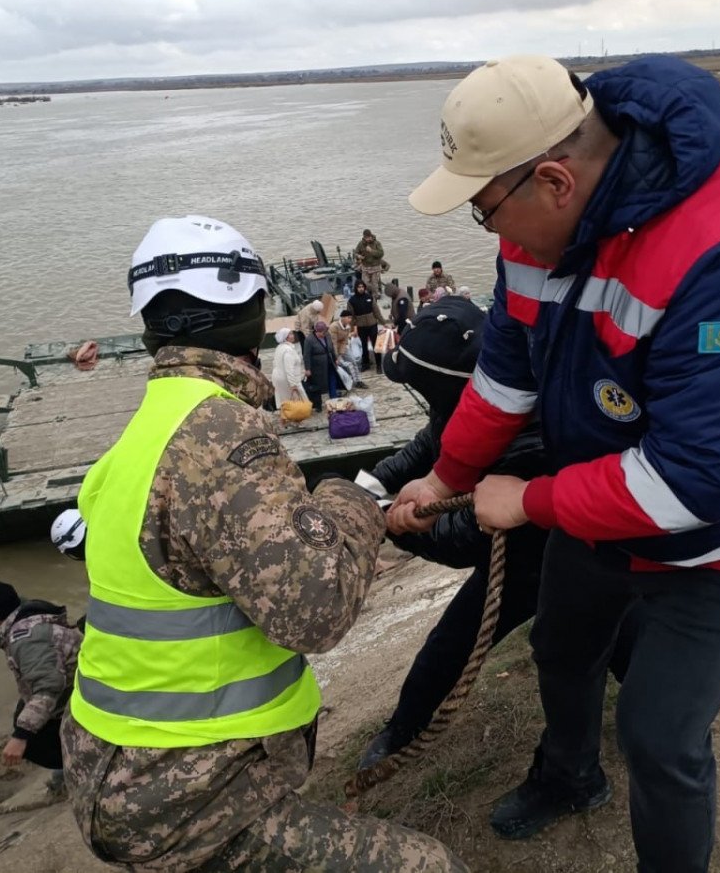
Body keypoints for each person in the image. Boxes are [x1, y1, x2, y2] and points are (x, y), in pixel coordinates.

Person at [391, 54, 720, 870]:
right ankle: (569, 774)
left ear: (555, 180)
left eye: (485, 210)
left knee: (661, 734)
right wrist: (446, 476)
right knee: (562, 646)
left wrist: (529, 502)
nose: (490, 232)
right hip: (602, 499)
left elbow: (693, 479)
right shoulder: (534, 237)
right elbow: (505, 373)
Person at [60, 215, 465, 872]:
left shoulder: (141, 433)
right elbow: (315, 609)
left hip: (116, 766)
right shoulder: (219, 434)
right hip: (181, 788)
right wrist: (348, 501)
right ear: (250, 307)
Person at [357, 295, 641, 769]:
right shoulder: (469, 405)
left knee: (459, 645)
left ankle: (648, 724)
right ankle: (402, 728)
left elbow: (462, 540)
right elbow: (429, 445)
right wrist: (370, 486)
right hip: (541, 551)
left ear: (446, 389)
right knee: (615, 639)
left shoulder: (531, 442)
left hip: (540, 561)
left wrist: (393, 524)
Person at [0, 582, 82, 786]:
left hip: (71, 691)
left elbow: (48, 687)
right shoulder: (30, 614)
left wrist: (21, 736)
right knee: (21, 714)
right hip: (69, 675)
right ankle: (65, 769)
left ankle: (77, 766)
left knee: (34, 745)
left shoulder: (26, 641)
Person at [304, 318, 341, 409]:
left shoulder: (327, 335)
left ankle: (334, 398)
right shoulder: (309, 340)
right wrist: (307, 368)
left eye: (325, 332)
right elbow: (306, 355)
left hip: (329, 361)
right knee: (318, 384)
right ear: (317, 331)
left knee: (332, 378)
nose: (324, 334)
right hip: (317, 365)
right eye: (322, 333)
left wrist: (335, 358)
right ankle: (318, 404)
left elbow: (331, 347)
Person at [355, 229, 389, 323]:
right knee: (364, 283)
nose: (368, 239)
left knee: (375, 285)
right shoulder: (361, 244)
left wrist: (372, 251)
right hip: (365, 268)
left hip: (375, 268)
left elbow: (381, 253)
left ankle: (374, 302)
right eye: (366, 238)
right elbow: (356, 252)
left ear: (371, 236)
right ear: (364, 237)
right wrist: (358, 256)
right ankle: (366, 297)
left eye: (369, 237)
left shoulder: (377, 243)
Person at [347, 279, 381, 372]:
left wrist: (384, 322)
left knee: (375, 345)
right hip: (361, 326)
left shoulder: (369, 297)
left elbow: (376, 311)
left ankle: (379, 365)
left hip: (372, 324)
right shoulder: (352, 300)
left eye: (362, 287)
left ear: (364, 287)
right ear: (356, 288)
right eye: (359, 287)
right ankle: (365, 364)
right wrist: (351, 330)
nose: (361, 289)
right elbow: (351, 317)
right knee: (364, 345)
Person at [271, 327, 308, 407]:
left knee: (285, 401)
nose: (293, 335)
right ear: (286, 337)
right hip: (288, 379)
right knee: (296, 402)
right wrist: (293, 384)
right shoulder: (288, 350)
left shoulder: (280, 347)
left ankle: (285, 417)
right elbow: (289, 369)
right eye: (290, 334)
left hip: (279, 378)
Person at [330, 309, 366, 390]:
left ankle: (358, 381)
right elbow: (333, 343)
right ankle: (348, 381)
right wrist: (337, 356)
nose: (350, 320)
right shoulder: (334, 326)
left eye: (351, 318)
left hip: (343, 347)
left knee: (353, 361)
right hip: (334, 348)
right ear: (342, 318)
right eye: (348, 318)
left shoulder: (348, 327)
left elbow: (345, 341)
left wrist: (342, 352)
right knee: (346, 365)